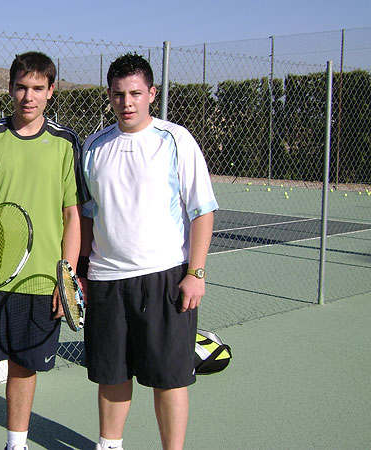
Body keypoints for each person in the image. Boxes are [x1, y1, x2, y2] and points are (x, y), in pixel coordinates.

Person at [78, 53, 218, 450]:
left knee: (169, 377)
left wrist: (196, 273)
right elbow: (88, 216)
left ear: (152, 94)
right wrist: (85, 271)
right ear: (109, 95)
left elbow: (202, 211)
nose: (127, 102)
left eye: (136, 93)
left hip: (166, 277)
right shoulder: (93, 146)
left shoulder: (176, 139)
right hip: (107, 280)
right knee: (111, 374)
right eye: (119, 94)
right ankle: (109, 445)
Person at [0, 51, 88, 450]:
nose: (29, 96)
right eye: (22, 87)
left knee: (24, 370)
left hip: (42, 281)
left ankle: (17, 443)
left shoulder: (65, 143)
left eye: (38, 88)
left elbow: (73, 216)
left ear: (51, 92)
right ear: (10, 88)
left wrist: (66, 279)